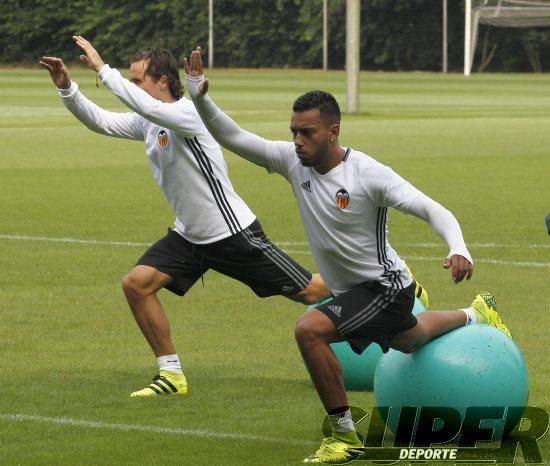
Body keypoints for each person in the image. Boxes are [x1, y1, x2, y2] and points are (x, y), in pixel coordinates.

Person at [184, 47, 512, 464]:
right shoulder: (291, 161)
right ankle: (475, 313)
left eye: (308, 133)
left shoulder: (367, 174)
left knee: (309, 330)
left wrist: (458, 246)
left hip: (385, 286)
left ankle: (344, 436)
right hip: (358, 291)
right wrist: (200, 97)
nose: (297, 141)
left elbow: (432, 208)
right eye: (294, 132)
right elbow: (234, 137)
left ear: (333, 131)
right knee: (407, 340)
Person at [39, 36, 331, 398]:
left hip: (232, 233)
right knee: (137, 284)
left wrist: (102, 68)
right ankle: (171, 374)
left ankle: (387, 281)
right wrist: (68, 89)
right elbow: (102, 122)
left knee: (311, 290)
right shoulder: (151, 121)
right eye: (130, 81)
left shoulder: (188, 114)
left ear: (163, 80)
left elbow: (144, 107)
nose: (132, 87)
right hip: (189, 237)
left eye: (138, 80)